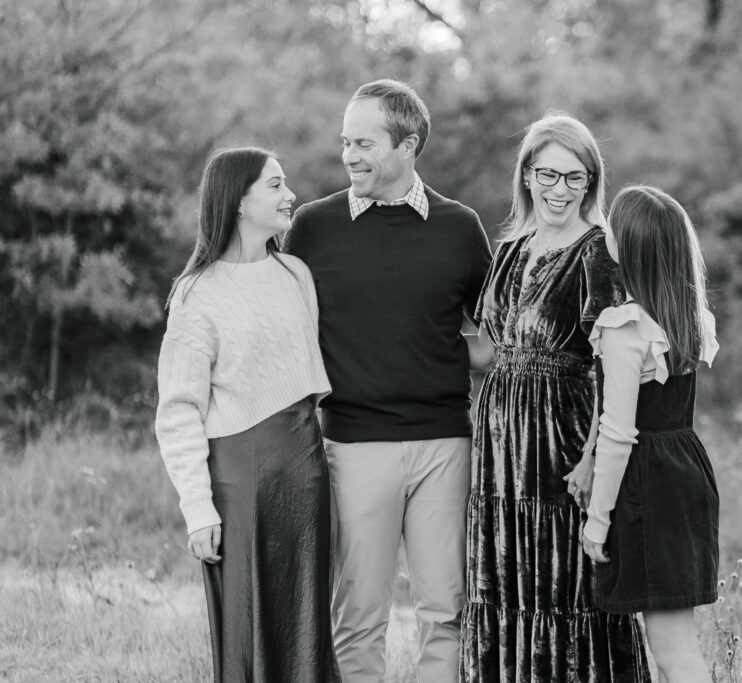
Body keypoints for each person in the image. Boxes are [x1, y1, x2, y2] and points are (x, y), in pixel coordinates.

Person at [283, 79, 492, 682]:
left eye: (364, 143)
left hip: (445, 444)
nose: (349, 155)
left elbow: (493, 335)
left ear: (409, 144)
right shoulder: (314, 227)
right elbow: (284, 333)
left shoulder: (460, 226)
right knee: (357, 616)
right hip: (353, 445)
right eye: (346, 142)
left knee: (447, 611)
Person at [460, 112, 652, 682]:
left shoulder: (599, 253)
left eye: (575, 178)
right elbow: (488, 351)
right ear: (527, 176)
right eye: (548, 175)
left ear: (591, 184)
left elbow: (611, 369)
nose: (559, 190)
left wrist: (592, 457)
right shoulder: (510, 250)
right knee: (502, 580)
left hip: (560, 442)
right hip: (499, 447)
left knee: (567, 588)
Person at [154, 146, 339, 682]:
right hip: (241, 477)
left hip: (306, 466)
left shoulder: (295, 274)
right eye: (275, 185)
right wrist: (198, 508)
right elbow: (179, 409)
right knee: (247, 619)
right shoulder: (197, 293)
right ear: (238, 200)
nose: (290, 195)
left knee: (306, 617)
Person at [581, 185, 720, 683]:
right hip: (687, 472)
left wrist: (597, 521)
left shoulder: (626, 327)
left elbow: (619, 434)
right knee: (676, 644)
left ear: (628, 247)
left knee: (673, 650)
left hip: (648, 486)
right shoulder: (688, 317)